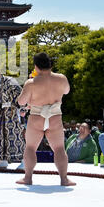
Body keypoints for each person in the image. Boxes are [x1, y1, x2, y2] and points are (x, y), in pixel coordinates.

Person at [16, 53, 75, 186]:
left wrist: (30, 86)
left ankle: (28, 178)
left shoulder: (31, 83)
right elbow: (66, 91)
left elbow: (21, 101)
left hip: (37, 117)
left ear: (36, 66)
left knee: (30, 147)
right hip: (55, 117)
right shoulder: (61, 78)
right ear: (50, 64)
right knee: (59, 148)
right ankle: (64, 179)